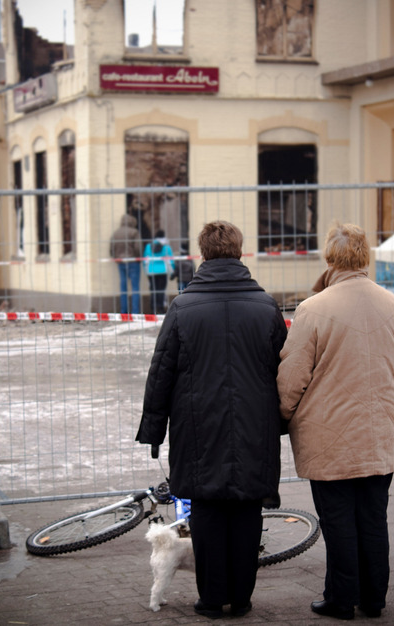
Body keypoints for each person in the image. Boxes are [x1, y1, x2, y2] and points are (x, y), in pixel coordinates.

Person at [136, 220, 287, 619]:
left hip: (197, 429)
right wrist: (285, 421)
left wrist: (153, 428)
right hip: (255, 429)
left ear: (202, 253)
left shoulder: (183, 307)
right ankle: (241, 599)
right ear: (240, 251)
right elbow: (284, 370)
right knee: (246, 513)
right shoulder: (266, 307)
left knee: (204, 512)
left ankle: (211, 598)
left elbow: (161, 371)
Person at [276, 222, 394, 621]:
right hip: (379, 435)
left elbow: (292, 378)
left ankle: (341, 599)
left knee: (338, 522)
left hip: (328, 438)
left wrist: (283, 417)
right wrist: (382, 404)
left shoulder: (313, 308)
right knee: (374, 518)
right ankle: (374, 600)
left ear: (329, 257)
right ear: (365, 257)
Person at [109, 214, 142, 314]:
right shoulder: (134, 232)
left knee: (123, 287)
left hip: (120, 262)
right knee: (135, 287)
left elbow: (111, 249)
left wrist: (116, 257)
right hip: (133, 261)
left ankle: (124, 311)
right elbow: (138, 247)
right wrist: (138, 258)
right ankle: (135, 312)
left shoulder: (115, 233)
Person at [142, 230, 175, 314]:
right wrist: (172, 272)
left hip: (151, 271)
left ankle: (153, 308)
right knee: (161, 290)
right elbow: (170, 261)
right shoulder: (167, 247)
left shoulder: (148, 246)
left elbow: (145, 260)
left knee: (153, 289)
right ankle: (160, 308)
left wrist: (146, 270)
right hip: (162, 271)